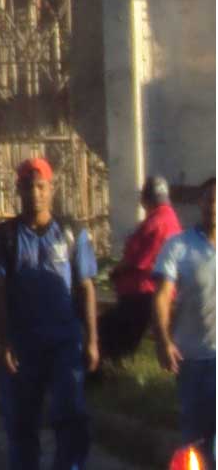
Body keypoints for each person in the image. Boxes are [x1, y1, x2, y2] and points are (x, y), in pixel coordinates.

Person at [0, 155, 99, 470]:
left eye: (41, 187)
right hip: (23, 345)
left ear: (51, 189)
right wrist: (4, 341)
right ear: (18, 190)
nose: (35, 194)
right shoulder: (4, 237)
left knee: (72, 418)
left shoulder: (71, 233)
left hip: (65, 342)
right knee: (22, 425)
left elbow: (86, 287)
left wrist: (92, 341)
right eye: (28, 187)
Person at [153, 179, 215, 464]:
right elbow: (162, 296)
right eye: (208, 200)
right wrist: (164, 341)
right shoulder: (179, 246)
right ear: (200, 204)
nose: (213, 207)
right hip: (193, 361)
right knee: (196, 443)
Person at [104, 177, 184, 368]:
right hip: (158, 291)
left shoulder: (154, 223)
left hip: (142, 293)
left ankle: (102, 368)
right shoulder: (171, 219)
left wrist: (113, 272)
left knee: (104, 332)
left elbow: (136, 260)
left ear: (146, 200)